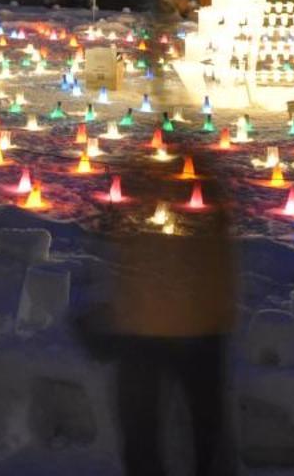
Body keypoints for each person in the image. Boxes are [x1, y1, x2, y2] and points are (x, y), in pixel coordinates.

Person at [101, 159, 236, 476]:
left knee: (148, 429)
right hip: (188, 328)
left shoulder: (151, 174)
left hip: (161, 328)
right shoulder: (194, 175)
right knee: (199, 427)